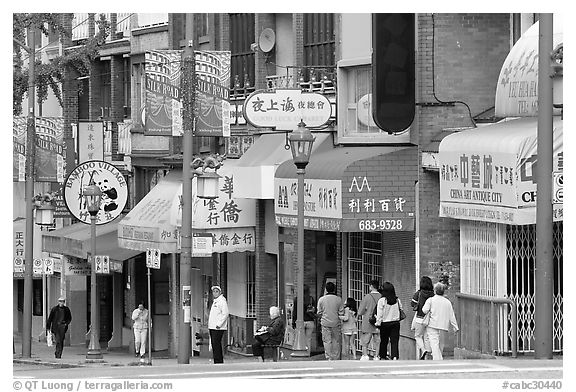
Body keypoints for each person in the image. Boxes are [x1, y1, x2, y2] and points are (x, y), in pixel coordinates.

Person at [422, 282, 459, 360]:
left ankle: (437, 359)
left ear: (435, 290)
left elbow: (424, 310)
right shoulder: (447, 302)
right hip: (443, 326)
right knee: (440, 344)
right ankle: (439, 358)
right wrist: (455, 326)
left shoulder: (431, 300)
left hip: (432, 324)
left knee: (434, 343)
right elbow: (451, 315)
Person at [375, 281, 403, 360]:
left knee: (384, 340)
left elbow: (379, 313)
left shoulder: (382, 300)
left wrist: (378, 323)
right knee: (394, 341)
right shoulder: (397, 300)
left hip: (385, 323)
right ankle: (395, 356)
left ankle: (383, 356)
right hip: (395, 323)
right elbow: (401, 309)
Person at [316, 281, 344, 360]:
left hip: (325, 322)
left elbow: (319, 312)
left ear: (326, 289)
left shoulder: (321, 299)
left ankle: (329, 357)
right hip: (336, 322)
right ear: (334, 289)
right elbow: (341, 312)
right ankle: (336, 357)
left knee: (327, 341)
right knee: (336, 341)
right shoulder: (338, 299)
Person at [411, 276, 435, 360]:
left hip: (419, 318)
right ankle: (428, 356)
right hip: (429, 319)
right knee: (426, 337)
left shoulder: (418, 293)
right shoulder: (433, 295)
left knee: (418, 336)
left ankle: (423, 350)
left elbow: (412, 304)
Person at [357, 279, 381, 360]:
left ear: (371, 286)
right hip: (378, 321)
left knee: (365, 340)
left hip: (368, 321)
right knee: (377, 340)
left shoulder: (367, 297)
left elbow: (360, 311)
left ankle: (365, 355)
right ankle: (376, 355)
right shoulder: (381, 297)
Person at [208, 285, 229, 364]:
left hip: (218, 327)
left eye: (217, 291)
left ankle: (219, 360)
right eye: (213, 291)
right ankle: (216, 360)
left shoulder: (222, 301)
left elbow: (225, 313)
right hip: (212, 326)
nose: (215, 293)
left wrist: (219, 324)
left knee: (216, 343)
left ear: (220, 292)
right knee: (214, 344)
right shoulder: (215, 301)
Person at [292, 285, 316, 353]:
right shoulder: (311, 299)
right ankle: (307, 353)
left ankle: (300, 351)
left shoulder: (297, 299)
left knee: (299, 338)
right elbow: (315, 310)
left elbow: (295, 312)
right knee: (308, 339)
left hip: (300, 322)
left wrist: (293, 322)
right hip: (310, 321)